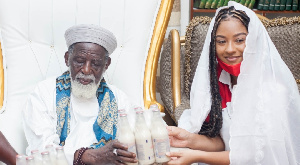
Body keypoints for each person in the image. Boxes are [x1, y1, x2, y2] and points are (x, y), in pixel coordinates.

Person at [166, 2, 300, 165]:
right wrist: (188, 139)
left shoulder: (274, 91)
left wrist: (196, 156)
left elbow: (251, 156)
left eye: (239, 40)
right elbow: (224, 143)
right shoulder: (219, 84)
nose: (230, 49)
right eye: (221, 41)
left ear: (254, 40)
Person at [23, 24, 138, 164]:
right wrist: (86, 156)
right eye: (79, 61)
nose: (86, 70)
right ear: (67, 59)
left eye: (95, 63)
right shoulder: (44, 92)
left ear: (106, 64)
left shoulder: (119, 99)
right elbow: (41, 149)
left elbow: (135, 143)